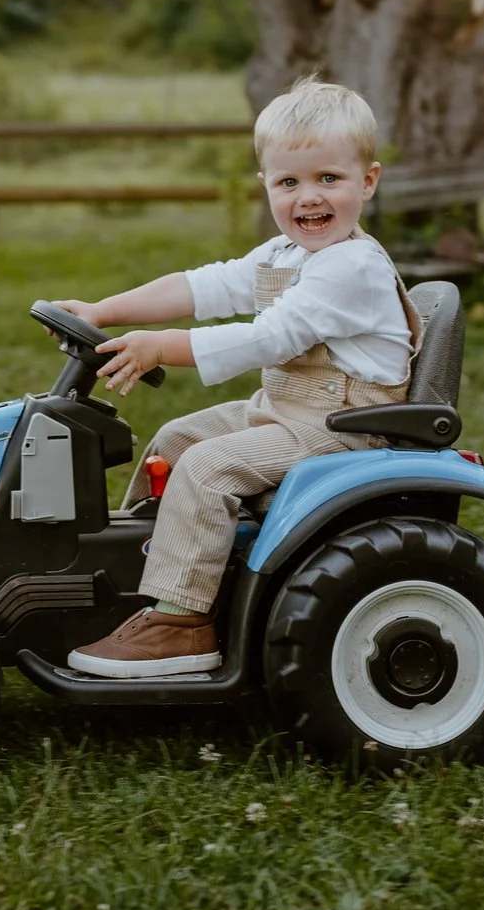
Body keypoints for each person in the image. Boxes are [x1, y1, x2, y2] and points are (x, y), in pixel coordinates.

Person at [52, 77, 418, 677]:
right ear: (266, 185)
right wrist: (102, 311)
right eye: (289, 182)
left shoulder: (351, 266)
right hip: (290, 414)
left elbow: (270, 337)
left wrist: (161, 347)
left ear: (368, 181)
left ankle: (181, 624)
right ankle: (144, 573)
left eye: (329, 178)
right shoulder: (286, 254)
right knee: (175, 441)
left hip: (348, 428)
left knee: (205, 468)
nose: (308, 198)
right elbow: (205, 286)